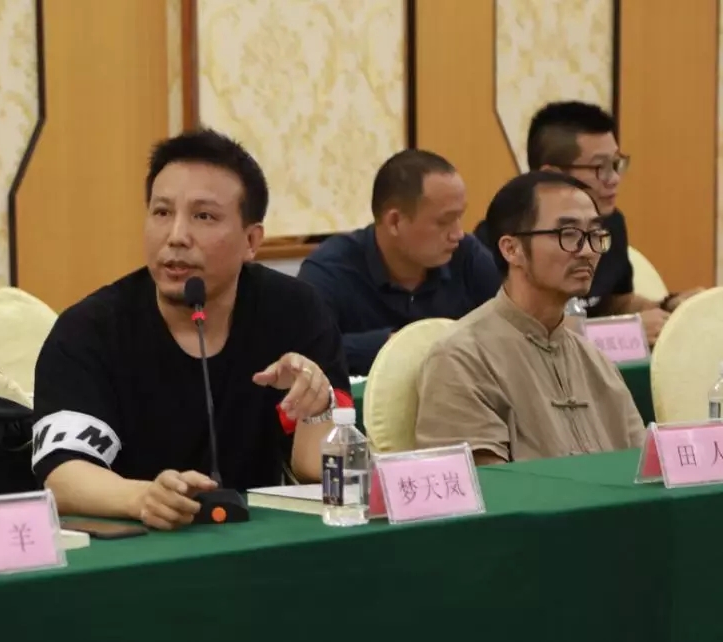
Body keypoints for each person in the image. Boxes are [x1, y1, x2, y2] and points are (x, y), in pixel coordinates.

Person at [31, 130, 351, 531]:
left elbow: (318, 469)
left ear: (251, 240)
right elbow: (62, 474)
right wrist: (141, 497)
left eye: (204, 217)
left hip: (257, 541)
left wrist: (316, 408)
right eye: (162, 212)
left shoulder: (295, 310)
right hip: (133, 547)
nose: (176, 236)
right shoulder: (89, 329)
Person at [415, 172, 645, 464]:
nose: (588, 251)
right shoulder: (462, 358)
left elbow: (643, 471)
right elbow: (486, 484)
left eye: (595, 235)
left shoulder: (596, 362)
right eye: (569, 234)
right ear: (511, 249)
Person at [474, 101, 702, 345]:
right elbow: (519, 327)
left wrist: (669, 306)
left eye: (616, 164)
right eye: (599, 167)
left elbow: (611, 302)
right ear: (553, 174)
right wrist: (622, 333)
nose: (614, 179)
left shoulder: (610, 223)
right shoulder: (498, 241)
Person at [298, 150, 500, 375]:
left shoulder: (466, 255)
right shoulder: (329, 269)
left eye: (459, 217)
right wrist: (395, 346)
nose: (458, 234)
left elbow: (513, 325)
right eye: (444, 221)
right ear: (394, 222)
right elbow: (303, 352)